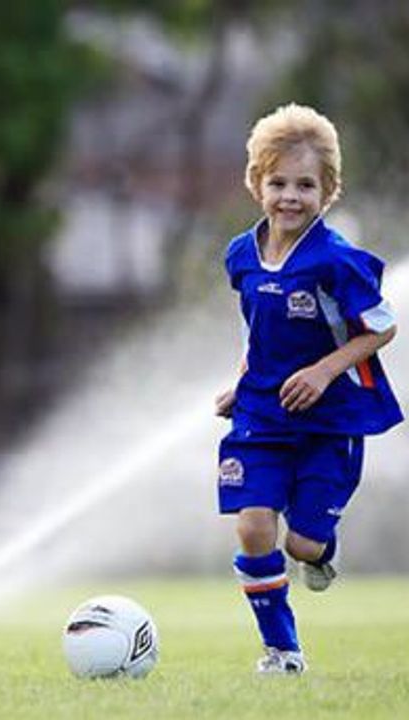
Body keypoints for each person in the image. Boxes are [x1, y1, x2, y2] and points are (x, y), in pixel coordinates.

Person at [215, 103, 401, 674]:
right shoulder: (241, 255)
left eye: (305, 185)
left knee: (304, 547)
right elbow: (261, 329)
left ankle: (323, 547)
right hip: (264, 415)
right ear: (256, 184)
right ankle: (282, 651)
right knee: (252, 526)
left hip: (332, 420)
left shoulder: (338, 261)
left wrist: (324, 371)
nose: (289, 197)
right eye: (278, 183)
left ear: (329, 191)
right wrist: (243, 382)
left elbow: (383, 325)